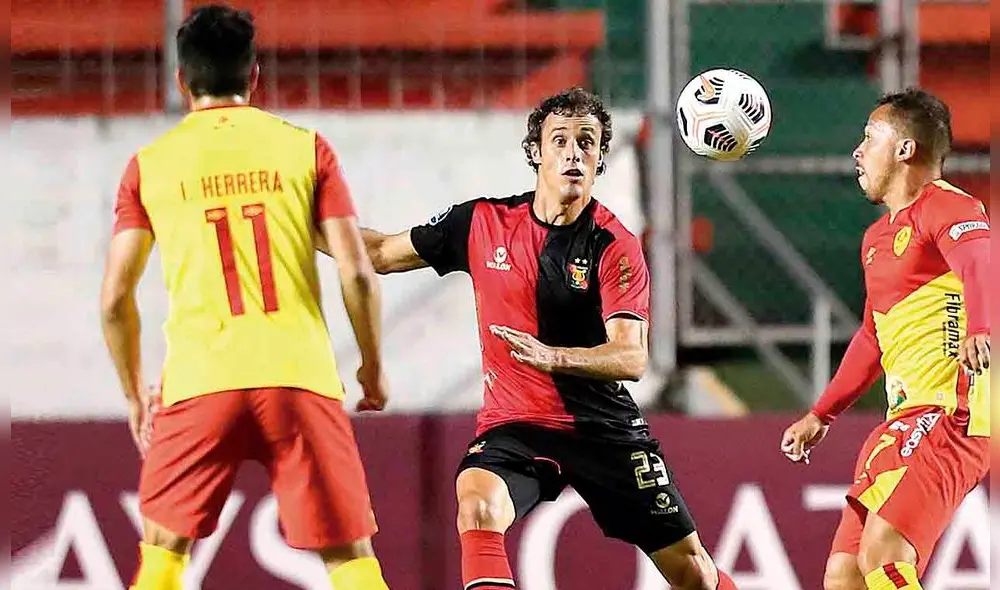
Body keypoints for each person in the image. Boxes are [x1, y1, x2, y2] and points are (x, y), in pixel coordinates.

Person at [348, 88, 738, 590]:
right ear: (536, 152)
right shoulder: (481, 223)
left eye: (587, 142)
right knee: (478, 499)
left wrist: (551, 356)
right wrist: (294, 221)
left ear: (600, 159)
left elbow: (631, 356)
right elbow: (379, 253)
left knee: (694, 576)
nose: (574, 152)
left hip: (602, 429)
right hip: (517, 424)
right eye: (560, 140)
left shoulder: (613, 245)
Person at [99, 5, 391, 589]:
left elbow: (113, 300)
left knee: (162, 555)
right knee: (350, 560)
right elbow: (357, 270)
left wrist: (135, 394)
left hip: (199, 380)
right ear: (254, 75)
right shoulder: (306, 149)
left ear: (182, 81)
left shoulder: (148, 167)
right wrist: (371, 370)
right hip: (299, 377)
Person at [780, 89, 990, 590]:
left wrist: (979, 328)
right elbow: (874, 334)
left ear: (905, 150)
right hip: (903, 418)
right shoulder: (876, 240)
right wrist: (822, 413)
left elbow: (981, 265)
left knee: (884, 554)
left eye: (870, 137)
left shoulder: (947, 206)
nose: (857, 150)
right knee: (846, 574)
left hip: (949, 412)